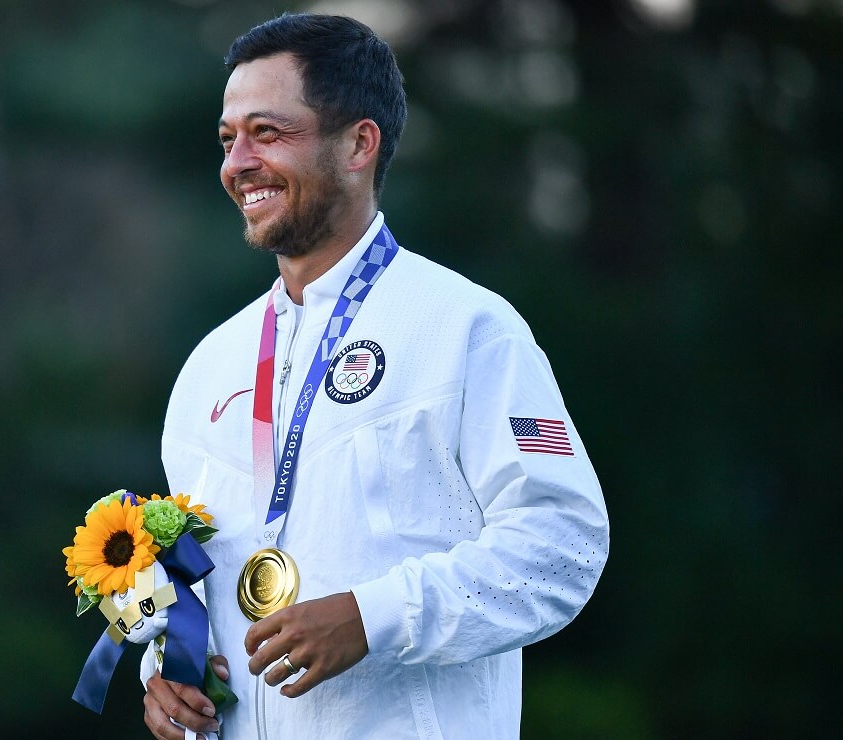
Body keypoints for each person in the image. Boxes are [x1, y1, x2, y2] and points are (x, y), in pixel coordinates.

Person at [141, 12, 609, 740]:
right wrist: (169, 666)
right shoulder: (211, 365)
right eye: (230, 139)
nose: (238, 163)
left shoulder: (469, 330)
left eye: (268, 132)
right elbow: (191, 575)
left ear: (359, 143)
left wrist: (372, 618)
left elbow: (561, 547)